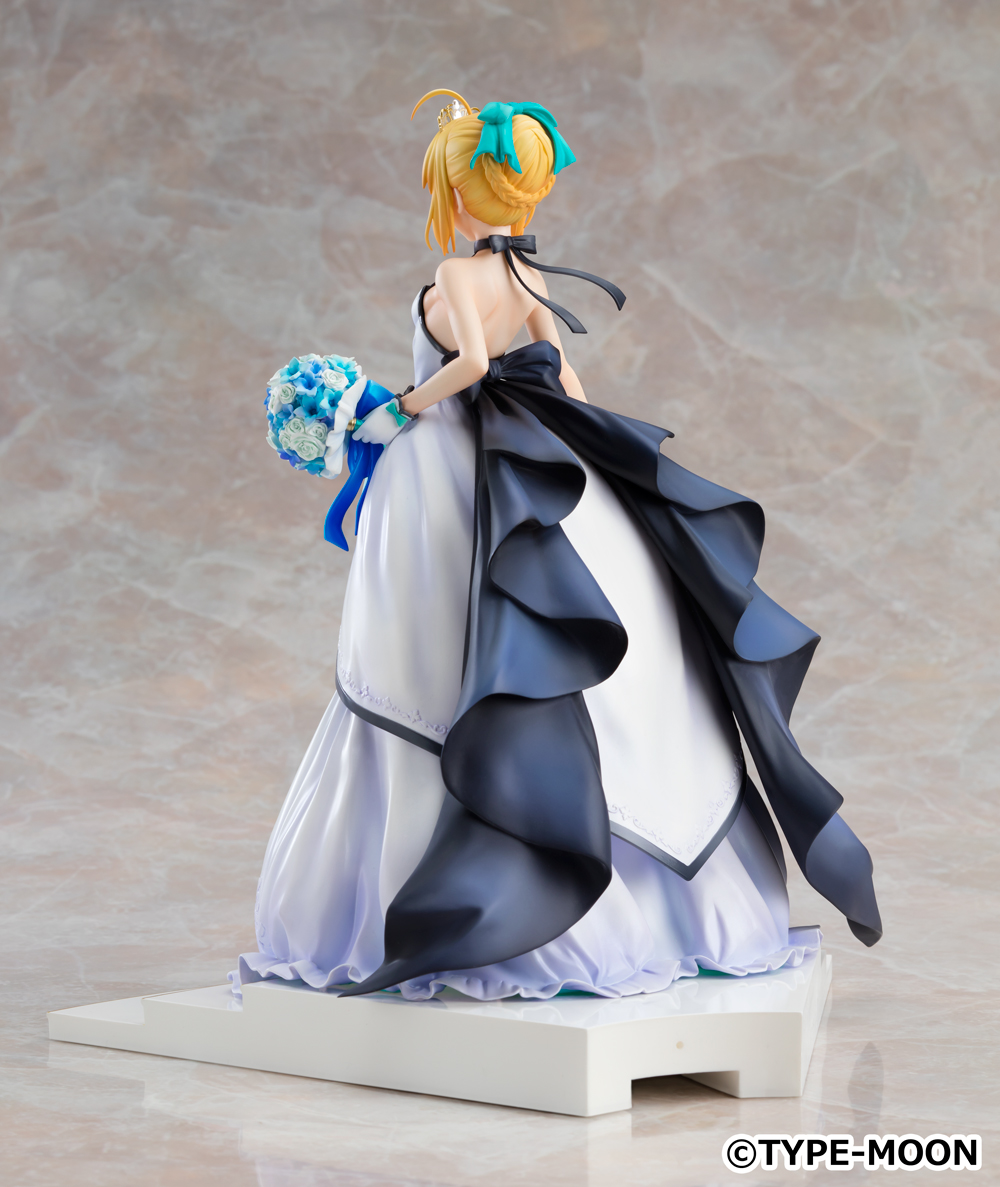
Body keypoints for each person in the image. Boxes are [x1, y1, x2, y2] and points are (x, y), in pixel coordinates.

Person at [232, 91, 881, 1003]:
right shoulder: (528, 276)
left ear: (458, 195)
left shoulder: (458, 273)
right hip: (529, 451)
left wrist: (396, 410)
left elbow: (468, 368)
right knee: (546, 634)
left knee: (425, 649)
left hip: (445, 466)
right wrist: (585, 445)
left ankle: (478, 882)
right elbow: (565, 373)